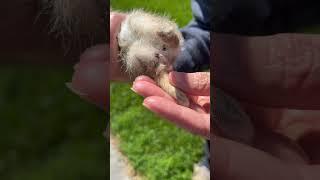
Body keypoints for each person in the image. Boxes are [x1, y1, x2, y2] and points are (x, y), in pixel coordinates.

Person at [69, 1, 320, 180]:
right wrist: (170, 75)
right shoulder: (139, 41)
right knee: (206, 102)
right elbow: (195, 34)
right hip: (224, 28)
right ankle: (216, 148)